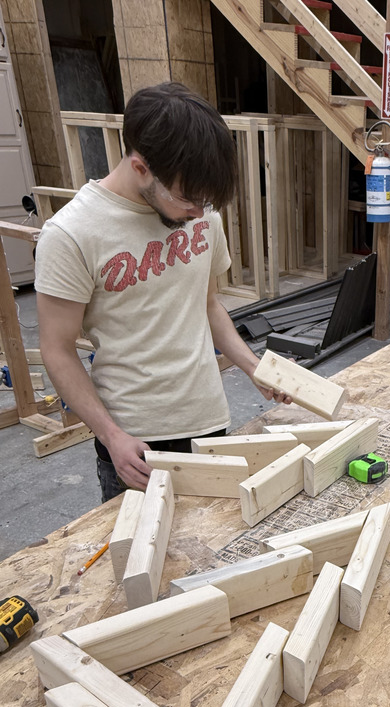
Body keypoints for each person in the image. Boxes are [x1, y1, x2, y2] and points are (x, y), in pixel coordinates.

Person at [35, 81, 289, 503]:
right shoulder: (71, 234)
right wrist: (111, 436)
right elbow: (56, 349)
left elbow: (207, 304)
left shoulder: (200, 211)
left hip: (209, 420)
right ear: (140, 167)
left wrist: (252, 365)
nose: (197, 214)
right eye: (188, 201)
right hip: (136, 443)